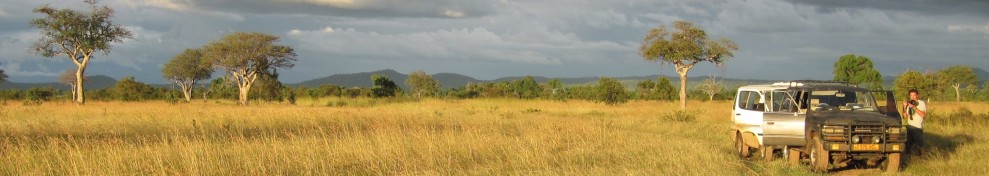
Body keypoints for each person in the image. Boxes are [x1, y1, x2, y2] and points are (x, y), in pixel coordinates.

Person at [901, 89, 926, 154]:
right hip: (909, 127)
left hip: (917, 127)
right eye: (911, 95)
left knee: (920, 145)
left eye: (914, 95)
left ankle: (923, 158)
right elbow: (904, 117)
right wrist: (904, 107)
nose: (912, 97)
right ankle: (908, 158)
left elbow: (923, 115)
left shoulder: (921, 103)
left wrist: (914, 107)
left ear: (917, 95)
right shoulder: (909, 104)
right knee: (908, 145)